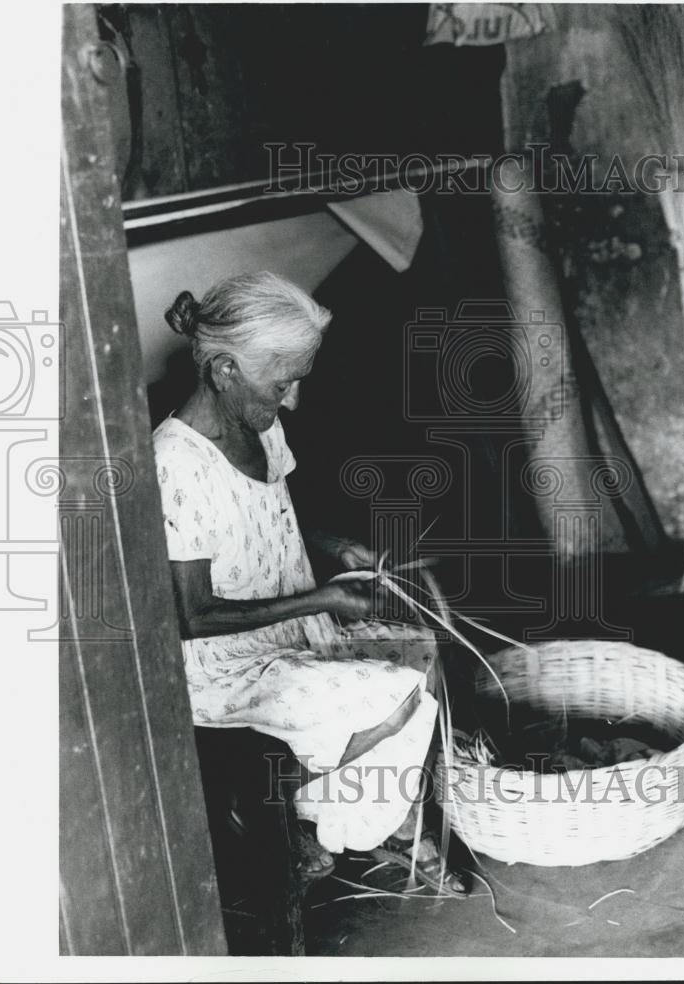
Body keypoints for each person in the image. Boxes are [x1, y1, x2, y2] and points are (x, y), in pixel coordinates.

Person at [152, 271, 466, 893]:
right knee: (394, 699)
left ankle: (388, 827)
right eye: (284, 381)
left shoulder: (260, 421)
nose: (293, 398)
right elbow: (193, 616)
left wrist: (336, 547)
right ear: (224, 369)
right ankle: (293, 811)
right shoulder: (175, 463)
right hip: (226, 667)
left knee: (420, 657)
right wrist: (322, 595)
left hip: (296, 630)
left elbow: (274, 508)